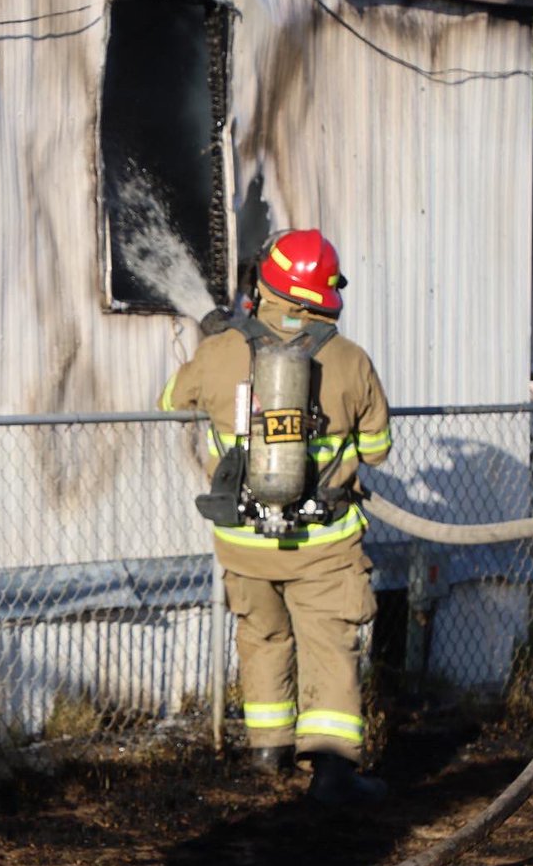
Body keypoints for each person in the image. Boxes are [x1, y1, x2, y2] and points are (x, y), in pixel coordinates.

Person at [159, 229, 391, 803]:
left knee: (262, 636)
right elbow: (380, 446)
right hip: (324, 545)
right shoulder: (349, 359)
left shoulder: (220, 352)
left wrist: (220, 345)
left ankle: (268, 750)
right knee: (328, 647)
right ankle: (334, 775)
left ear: (267, 283)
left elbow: (173, 399)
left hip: (242, 540)